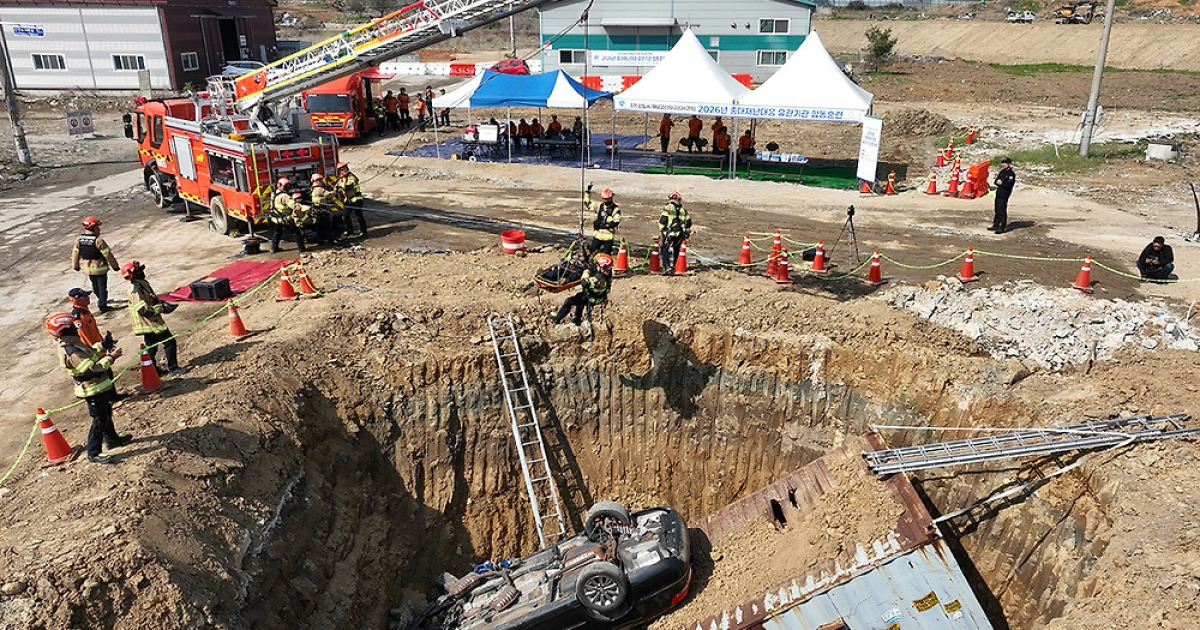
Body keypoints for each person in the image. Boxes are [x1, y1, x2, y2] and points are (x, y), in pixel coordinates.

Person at [46, 312, 129, 464]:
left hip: (97, 386)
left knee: (105, 413)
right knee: (99, 420)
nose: (76, 327)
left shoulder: (74, 343)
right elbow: (92, 368)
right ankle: (93, 452)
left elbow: (91, 354)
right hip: (91, 389)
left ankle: (113, 440)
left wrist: (103, 345)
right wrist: (111, 358)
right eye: (72, 326)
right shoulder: (71, 351)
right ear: (64, 330)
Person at [122, 260, 187, 376]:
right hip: (149, 322)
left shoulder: (142, 284)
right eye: (139, 270)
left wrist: (161, 303)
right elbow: (143, 310)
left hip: (150, 322)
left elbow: (151, 300)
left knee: (151, 347)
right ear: (133, 274)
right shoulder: (136, 290)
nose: (142, 272)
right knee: (169, 342)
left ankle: (153, 371)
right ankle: (173, 368)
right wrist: (161, 308)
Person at [68, 287, 125, 401]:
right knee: (102, 373)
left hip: (98, 347)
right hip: (93, 351)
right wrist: (97, 352)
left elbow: (94, 333)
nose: (88, 298)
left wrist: (105, 344)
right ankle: (109, 398)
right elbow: (85, 338)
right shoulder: (79, 317)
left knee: (108, 373)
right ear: (77, 300)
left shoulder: (86, 312)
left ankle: (113, 396)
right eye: (85, 296)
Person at [71, 217, 121, 313]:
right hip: (100, 268)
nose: (99, 229)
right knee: (102, 287)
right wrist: (115, 266)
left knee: (95, 286)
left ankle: (101, 299)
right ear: (93, 228)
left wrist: (75, 266)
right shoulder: (99, 241)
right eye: (97, 227)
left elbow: (75, 253)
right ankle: (102, 305)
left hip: (88, 269)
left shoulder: (79, 240)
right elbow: (108, 255)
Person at [551, 253, 613, 326]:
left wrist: (587, 270)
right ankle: (577, 319)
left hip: (592, 298)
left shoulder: (598, 280)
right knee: (579, 297)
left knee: (569, 301)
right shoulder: (608, 275)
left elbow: (585, 282)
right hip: (598, 296)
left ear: (601, 267)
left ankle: (557, 318)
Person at [269, 177, 309, 253]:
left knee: (277, 233)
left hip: (276, 218)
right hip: (285, 219)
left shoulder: (274, 194)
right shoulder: (285, 196)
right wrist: (306, 208)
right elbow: (294, 206)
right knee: (296, 232)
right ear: (281, 186)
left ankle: (274, 248)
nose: (288, 188)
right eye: (286, 186)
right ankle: (302, 249)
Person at [659, 192, 691, 273]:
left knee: (664, 249)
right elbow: (688, 222)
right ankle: (676, 266)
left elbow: (663, 220)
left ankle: (667, 267)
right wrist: (687, 233)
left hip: (669, 233)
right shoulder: (682, 209)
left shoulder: (667, 208)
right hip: (680, 234)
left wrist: (662, 230)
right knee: (676, 249)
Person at [585, 184, 620, 255]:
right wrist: (587, 193)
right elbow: (588, 204)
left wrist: (604, 223)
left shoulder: (616, 209)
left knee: (606, 255)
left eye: (607, 199)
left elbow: (616, 222)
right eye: (604, 199)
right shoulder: (599, 206)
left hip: (608, 237)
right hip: (598, 235)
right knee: (590, 252)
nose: (606, 200)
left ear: (611, 198)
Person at [336, 162, 367, 237]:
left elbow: (348, 186)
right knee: (345, 216)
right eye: (341, 169)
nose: (343, 170)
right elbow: (337, 187)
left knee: (359, 216)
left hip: (356, 200)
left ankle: (363, 231)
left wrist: (341, 186)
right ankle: (349, 230)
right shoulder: (341, 179)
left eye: (344, 168)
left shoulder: (351, 177)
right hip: (348, 201)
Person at [309, 172, 339, 244]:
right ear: (316, 181)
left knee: (319, 226)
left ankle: (320, 241)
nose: (321, 182)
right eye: (319, 180)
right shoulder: (319, 189)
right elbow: (328, 194)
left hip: (317, 209)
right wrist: (335, 191)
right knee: (327, 225)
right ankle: (330, 241)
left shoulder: (313, 189)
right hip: (322, 210)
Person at [992, 157, 1016, 233]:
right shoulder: (1002, 171)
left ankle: (1002, 226)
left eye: (1005, 163)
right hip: (999, 193)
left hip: (1004, 194)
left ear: (1008, 164)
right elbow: (996, 181)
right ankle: (996, 224)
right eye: (1003, 163)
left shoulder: (1011, 174)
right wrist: (998, 182)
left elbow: (1009, 184)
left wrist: (1001, 183)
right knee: (997, 209)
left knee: (1002, 210)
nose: (1003, 164)